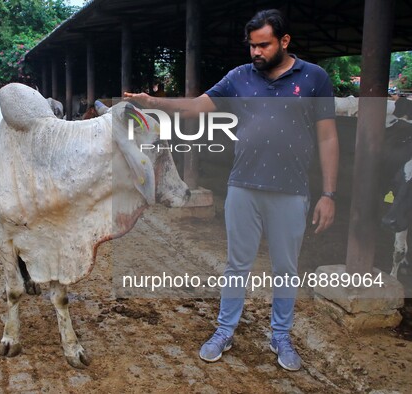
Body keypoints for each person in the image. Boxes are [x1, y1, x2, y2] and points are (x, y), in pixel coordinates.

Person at [124, 9, 338, 372]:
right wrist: (155, 102)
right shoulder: (239, 77)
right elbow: (195, 107)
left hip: (291, 191)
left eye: (264, 45)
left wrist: (328, 195)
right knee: (236, 265)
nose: (256, 52)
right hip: (243, 187)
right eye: (252, 45)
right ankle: (225, 330)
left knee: (286, 268)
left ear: (284, 42)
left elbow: (328, 136)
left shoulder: (314, 78)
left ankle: (280, 335)